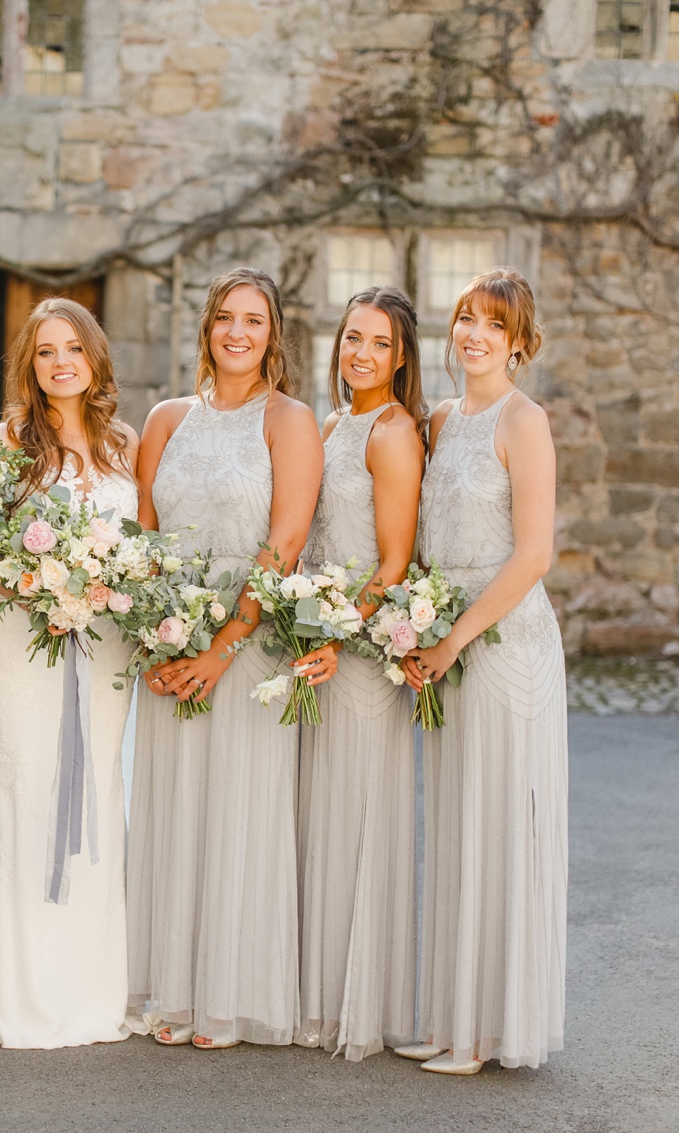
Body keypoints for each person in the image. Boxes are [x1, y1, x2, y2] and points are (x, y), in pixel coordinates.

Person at [127, 267, 323, 1050]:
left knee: (241, 809)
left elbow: (285, 542)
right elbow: (142, 537)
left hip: (246, 639)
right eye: (225, 319)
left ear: (273, 334)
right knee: (178, 808)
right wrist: (153, 634)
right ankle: (177, 988)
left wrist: (220, 648)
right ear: (206, 327)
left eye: (255, 320)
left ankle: (233, 996)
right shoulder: (167, 416)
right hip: (171, 638)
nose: (238, 332)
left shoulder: (290, 419)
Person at [397, 267, 568, 1075]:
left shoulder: (523, 421)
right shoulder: (436, 419)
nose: (473, 334)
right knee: (457, 827)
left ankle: (489, 1032)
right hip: (445, 641)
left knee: (498, 826)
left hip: (502, 645)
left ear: (519, 343)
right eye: (465, 318)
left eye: (492, 325)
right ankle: (452, 1017)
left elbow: (533, 554)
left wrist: (454, 637)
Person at [0, 297, 141, 1049]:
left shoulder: (126, 444)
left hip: (106, 647)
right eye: (44, 352)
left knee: (96, 787)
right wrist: (38, 590)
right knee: (26, 781)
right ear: (30, 366)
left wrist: (105, 591)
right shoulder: (8, 440)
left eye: (73, 347)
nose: (60, 361)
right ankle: (10, 986)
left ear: (94, 357)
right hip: (25, 637)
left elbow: (146, 541)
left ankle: (88, 983)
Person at [291, 286, 425, 1059]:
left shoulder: (394, 431)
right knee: (320, 815)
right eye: (350, 338)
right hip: (317, 636)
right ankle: (316, 993)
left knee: (358, 814)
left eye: (377, 343)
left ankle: (356, 1006)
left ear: (400, 355)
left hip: (360, 648)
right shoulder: (335, 422)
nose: (359, 354)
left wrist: (342, 631)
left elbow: (395, 557)